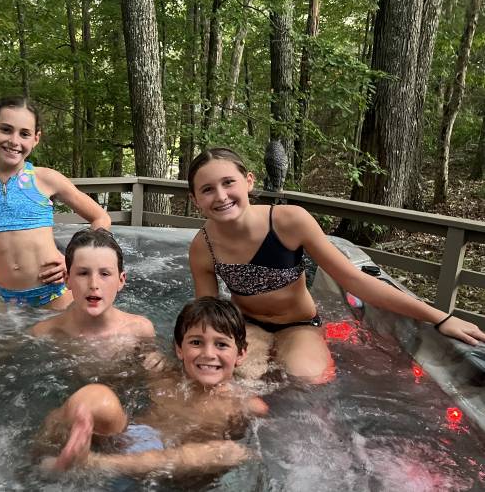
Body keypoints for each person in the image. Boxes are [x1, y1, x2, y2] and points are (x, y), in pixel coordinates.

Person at [187, 147, 485, 383]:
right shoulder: (204, 246)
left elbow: (356, 282)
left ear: (249, 181)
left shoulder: (289, 221)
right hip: (247, 325)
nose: (221, 196)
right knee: (240, 380)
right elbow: (209, 312)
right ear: (196, 199)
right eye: (208, 189)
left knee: (309, 380)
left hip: (298, 324)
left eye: (229, 183)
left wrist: (440, 318)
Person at [37, 297, 267, 477]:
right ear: (179, 349)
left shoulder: (245, 403)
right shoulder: (163, 375)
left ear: (241, 354)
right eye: (196, 342)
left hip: (174, 471)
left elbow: (255, 450)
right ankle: (44, 457)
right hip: (129, 440)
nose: (208, 354)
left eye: (221, 345)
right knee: (95, 396)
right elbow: (114, 374)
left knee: (227, 453)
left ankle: (91, 464)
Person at [0, 96, 111, 310]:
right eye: (6, 129)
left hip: (58, 296)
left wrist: (75, 259)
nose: (14, 141)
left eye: (24, 134)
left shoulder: (46, 179)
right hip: (8, 303)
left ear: (36, 139)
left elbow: (101, 217)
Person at [29, 228, 154, 341]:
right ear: (67, 279)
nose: (94, 284)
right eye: (83, 273)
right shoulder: (44, 333)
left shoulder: (140, 330)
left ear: (121, 281)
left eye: (104, 274)